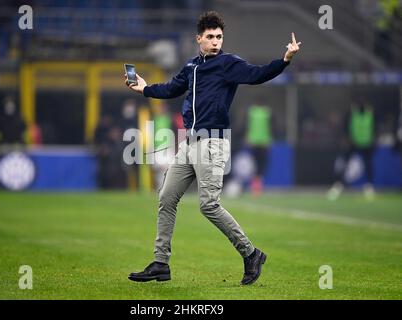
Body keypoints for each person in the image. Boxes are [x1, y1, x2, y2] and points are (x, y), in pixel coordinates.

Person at [125, 11, 300, 285]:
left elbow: (257, 74)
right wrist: (146, 89)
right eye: (210, 37)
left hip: (213, 142)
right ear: (199, 39)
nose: (216, 41)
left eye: (219, 37)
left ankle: (251, 253)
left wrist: (284, 60)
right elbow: (171, 89)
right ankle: (160, 263)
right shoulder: (192, 67)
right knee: (166, 198)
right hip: (189, 142)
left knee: (208, 205)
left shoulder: (228, 63)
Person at [327, 101, 376, 201]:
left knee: (368, 165)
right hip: (354, 143)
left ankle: (369, 187)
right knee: (345, 163)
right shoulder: (353, 115)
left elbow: (374, 129)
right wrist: (347, 139)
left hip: (366, 144)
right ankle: (338, 186)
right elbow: (346, 127)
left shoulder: (369, 115)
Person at [246, 103, 273, 196]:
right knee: (261, 165)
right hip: (263, 142)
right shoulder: (266, 112)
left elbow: (248, 125)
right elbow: (270, 127)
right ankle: (257, 188)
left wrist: (248, 137)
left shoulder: (252, 112)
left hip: (254, 141)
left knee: (256, 165)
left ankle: (256, 188)